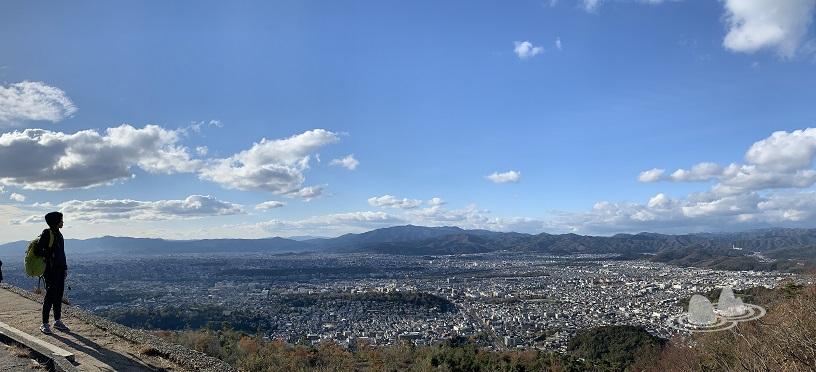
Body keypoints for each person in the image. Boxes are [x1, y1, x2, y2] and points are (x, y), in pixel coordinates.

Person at [37, 212, 69, 334]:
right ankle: (44, 323)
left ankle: (57, 321)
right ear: (56, 221)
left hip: (60, 269)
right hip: (50, 271)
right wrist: (50, 255)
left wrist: (65, 268)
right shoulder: (47, 233)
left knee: (58, 295)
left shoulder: (59, 234)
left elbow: (62, 253)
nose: (63, 222)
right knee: (50, 296)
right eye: (61, 220)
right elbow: (39, 251)